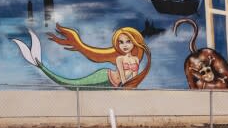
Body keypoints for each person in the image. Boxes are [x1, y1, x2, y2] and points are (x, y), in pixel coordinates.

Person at [12, 24, 151, 89]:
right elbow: (124, 76)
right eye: (121, 42)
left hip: (113, 85)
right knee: (72, 85)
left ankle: (40, 65)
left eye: (128, 42)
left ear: (135, 42)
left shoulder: (135, 59)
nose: (124, 45)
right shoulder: (120, 59)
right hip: (104, 77)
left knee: (73, 86)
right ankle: (40, 65)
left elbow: (132, 75)